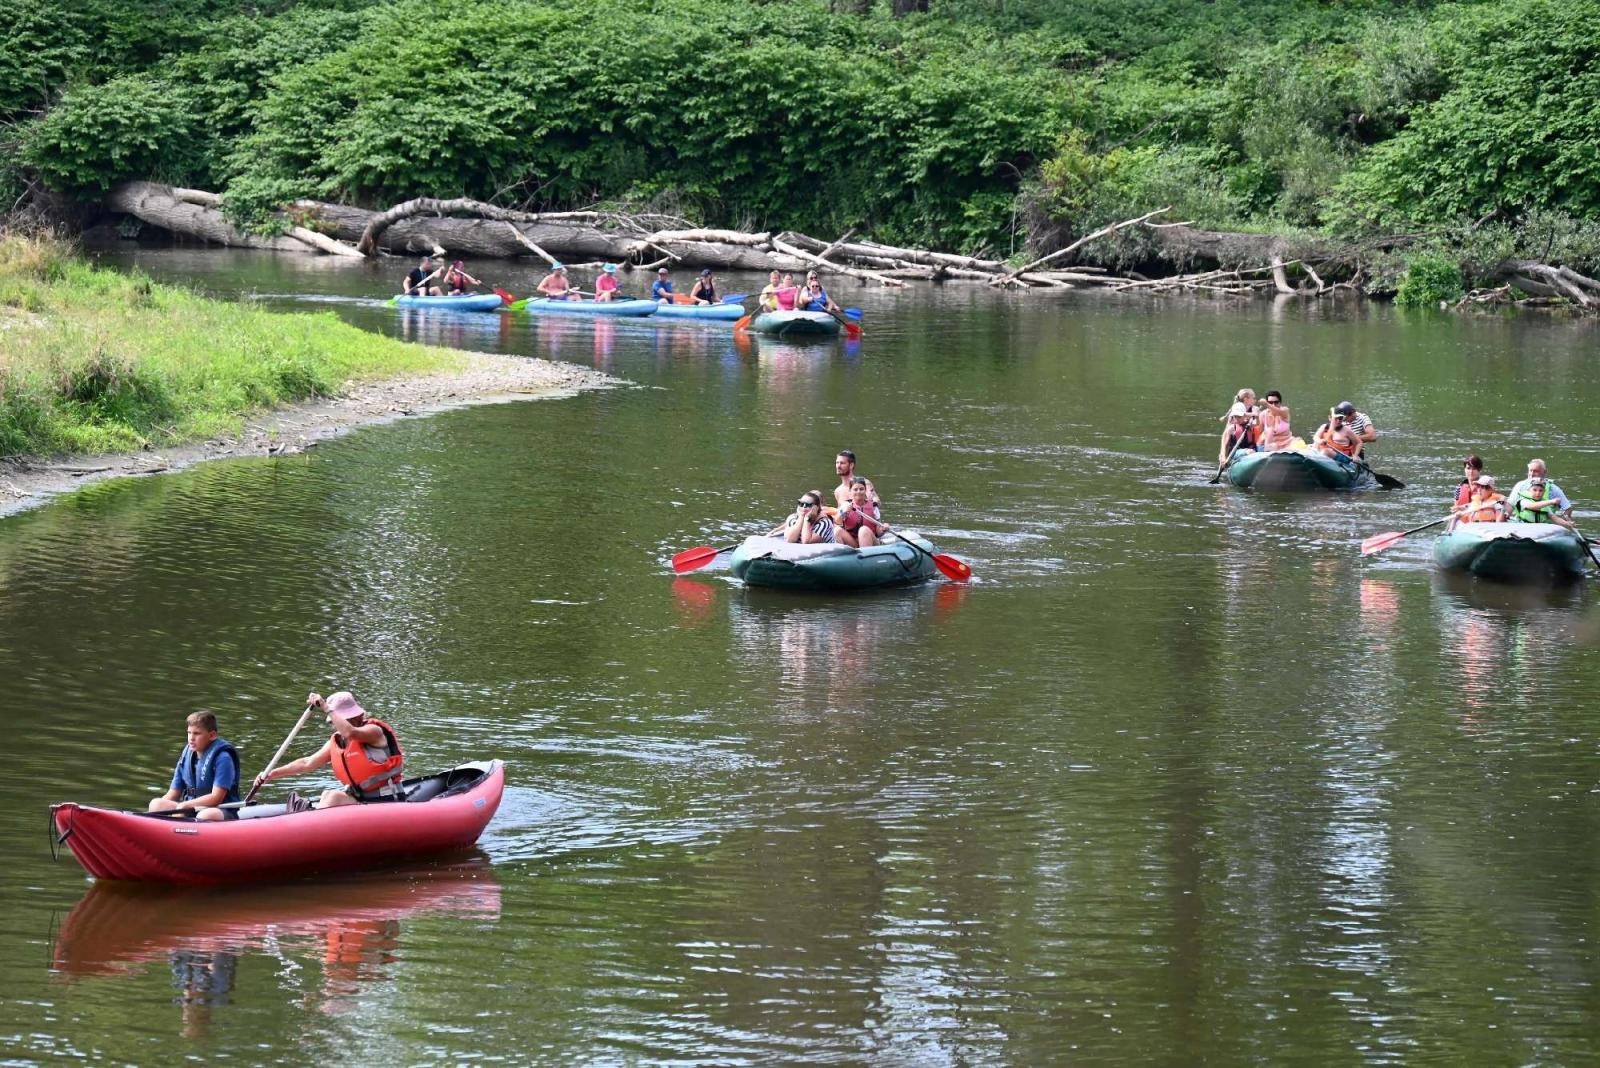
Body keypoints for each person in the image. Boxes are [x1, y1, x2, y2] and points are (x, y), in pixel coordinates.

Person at [251, 691, 405, 811]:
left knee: (333, 797)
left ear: (356, 716)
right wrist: (271, 774)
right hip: (362, 800)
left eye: (342, 718)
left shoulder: (373, 731)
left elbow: (350, 732)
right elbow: (307, 763)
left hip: (386, 801)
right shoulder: (338, 741)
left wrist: (326, 707)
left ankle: (308, 827)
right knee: (327, 794)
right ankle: (307, 821)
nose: (335, 724)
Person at [149, 711, 241, 822]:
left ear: (212, 735)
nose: (191, 738)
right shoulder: (186, 756)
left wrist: (185, 805)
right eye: (189, 733)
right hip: (192, 808)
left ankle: (180, 830)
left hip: (219, 809)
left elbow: (216, 798)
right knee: (156, 804)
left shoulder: (223, 758)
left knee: (205, 814)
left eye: (197, 734)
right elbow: (173, 794)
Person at [1505, 459, 1576, 529]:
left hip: (1544, 527)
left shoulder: (1553, 490)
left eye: (1536, 471)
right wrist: (1506, 515)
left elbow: (1558, 516)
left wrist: (1567, 524)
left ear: (1544, 472)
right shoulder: (1523, 499)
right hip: (1522, 525)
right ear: (1529, 491)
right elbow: (1530, 506)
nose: (1532, 474)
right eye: (1530, 470)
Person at [835, 476, 889, 548]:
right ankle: (842, 554)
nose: (858, 492)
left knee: (863, 530)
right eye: (855, 489)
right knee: (837, 530)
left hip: (871, 541)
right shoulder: (845, 505)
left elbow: (878, 533)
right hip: (852, 542)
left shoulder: (874, 506)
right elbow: (837, 522)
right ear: (850, 491)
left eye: (861, 489)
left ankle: (865, 553)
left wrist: (883, 529)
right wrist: (844, 512)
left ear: (865, 490)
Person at [769, 491, 835, 544]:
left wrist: (807, 519)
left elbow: (806, 542)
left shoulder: (824, 522)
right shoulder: (792, 518)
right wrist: (801, 517)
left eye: (808, 505)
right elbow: (790, 540)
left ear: (816, 507)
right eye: (801, 504)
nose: (803, 507)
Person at [1218, 389, 1259, 465]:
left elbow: (1257, 423)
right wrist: (1222, 455)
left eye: (1239, 416)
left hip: (1252, 446)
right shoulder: (1232, 418)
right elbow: (1225, 436)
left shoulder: (1255, 409)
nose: (1255, 400)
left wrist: (1252, 415)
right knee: (1250, 451)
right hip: (1238, 448)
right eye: (1253, 398)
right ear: (1246, 399)